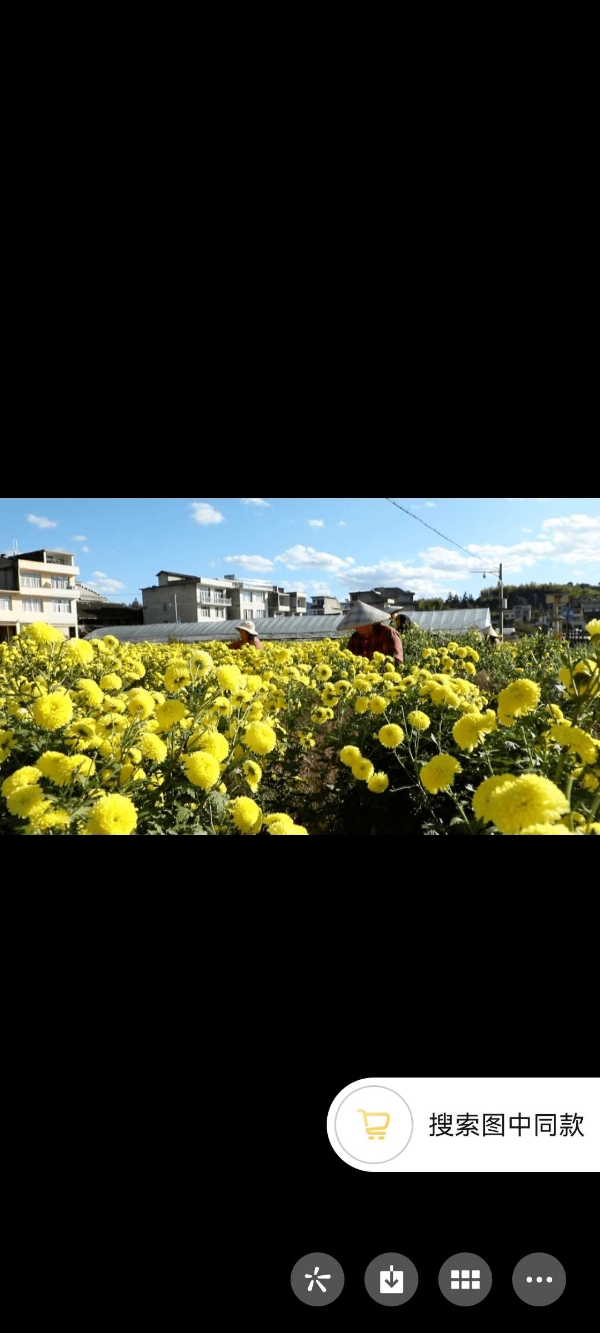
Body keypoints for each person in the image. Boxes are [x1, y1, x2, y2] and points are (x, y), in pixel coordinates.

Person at [338, 601, 404, 665]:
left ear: (369, 622)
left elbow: (396, 661)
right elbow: (348, 659)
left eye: (358, 624)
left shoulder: (388, 633)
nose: (355, 627)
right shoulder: (355, 637)